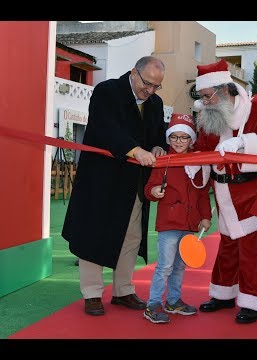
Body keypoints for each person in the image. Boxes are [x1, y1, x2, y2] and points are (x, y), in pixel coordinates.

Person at [184, 59, 257, 324]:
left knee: (253, 248)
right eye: (201, 97)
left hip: (253, 188)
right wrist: (194, 162)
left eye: (207, 96)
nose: (204, 102)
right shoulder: (211, 115)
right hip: (223, 192)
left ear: (223, 90)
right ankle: (223, 294)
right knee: (228, 244)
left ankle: (251, 301)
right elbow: (204, 148)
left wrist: (244, 141)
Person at [62, 56, 168, 316]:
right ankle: (92, 293)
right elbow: (104, 127)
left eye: (157, 86)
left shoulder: (155, 103)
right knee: (93, 233)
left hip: (134, 183)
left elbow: (157, 135)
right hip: (101, 179)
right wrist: (134, 151)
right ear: (133, 72)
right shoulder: (107, 91)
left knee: (131, 236)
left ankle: (123, 290)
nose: (151, 90)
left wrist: (157, 147)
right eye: (147, 84)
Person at [143, 113, 212, 324]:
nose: (179, 142)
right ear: (168, 138)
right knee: (164, 266)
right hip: (169, 224)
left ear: (191, 139)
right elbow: (148, 189)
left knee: (180, 266)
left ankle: (173, 301)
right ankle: (153, 304)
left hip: (189, 224)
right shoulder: (163, 161)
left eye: (184, 137)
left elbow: (202, 193)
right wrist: (154, 190)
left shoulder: (197, 162)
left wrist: (206, 217)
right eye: (174, 137)